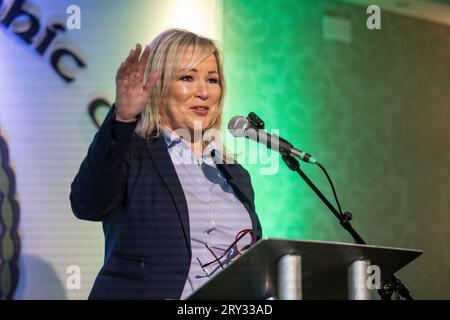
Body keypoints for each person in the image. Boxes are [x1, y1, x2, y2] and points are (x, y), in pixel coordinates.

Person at [70, 28, 262, 300]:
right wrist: (123, 118)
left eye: (212, 79)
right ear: (158, 86)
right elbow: (87, 204)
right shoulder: (132, 151)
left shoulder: (235, 174)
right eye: (187, 78)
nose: (203, 91)